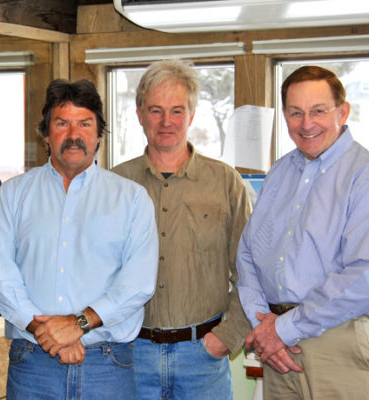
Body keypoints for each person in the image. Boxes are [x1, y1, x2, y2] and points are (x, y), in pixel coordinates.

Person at [0, 79, 159, 399]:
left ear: (99, 134)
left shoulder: (131, 199)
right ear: (46, 133)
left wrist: (78, 324)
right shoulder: (12, 195)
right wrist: (46, 332)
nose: (73, 134)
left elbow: (137, 283)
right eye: (62, 123)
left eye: (85, 123)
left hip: (107, 365)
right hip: (34, 361)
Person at [236, 65, 369, 399]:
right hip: (278, 345)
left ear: (343, 112)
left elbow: (366, 278)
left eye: (318, 111)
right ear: (284, 115)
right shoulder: (281, 172)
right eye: (295, 113)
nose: (307, 124)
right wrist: (264, 325)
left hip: (338, 343)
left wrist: (282, 329)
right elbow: (249, 254)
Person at [112, 59, 252, 399]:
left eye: (177, 111)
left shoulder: (225, 182)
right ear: (139, 113)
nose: (166, 122)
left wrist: (227, 337)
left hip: (202, 358)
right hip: (130, 356)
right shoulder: (114, 184)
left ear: (191, 114)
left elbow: (251, 269)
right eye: (156, 110)